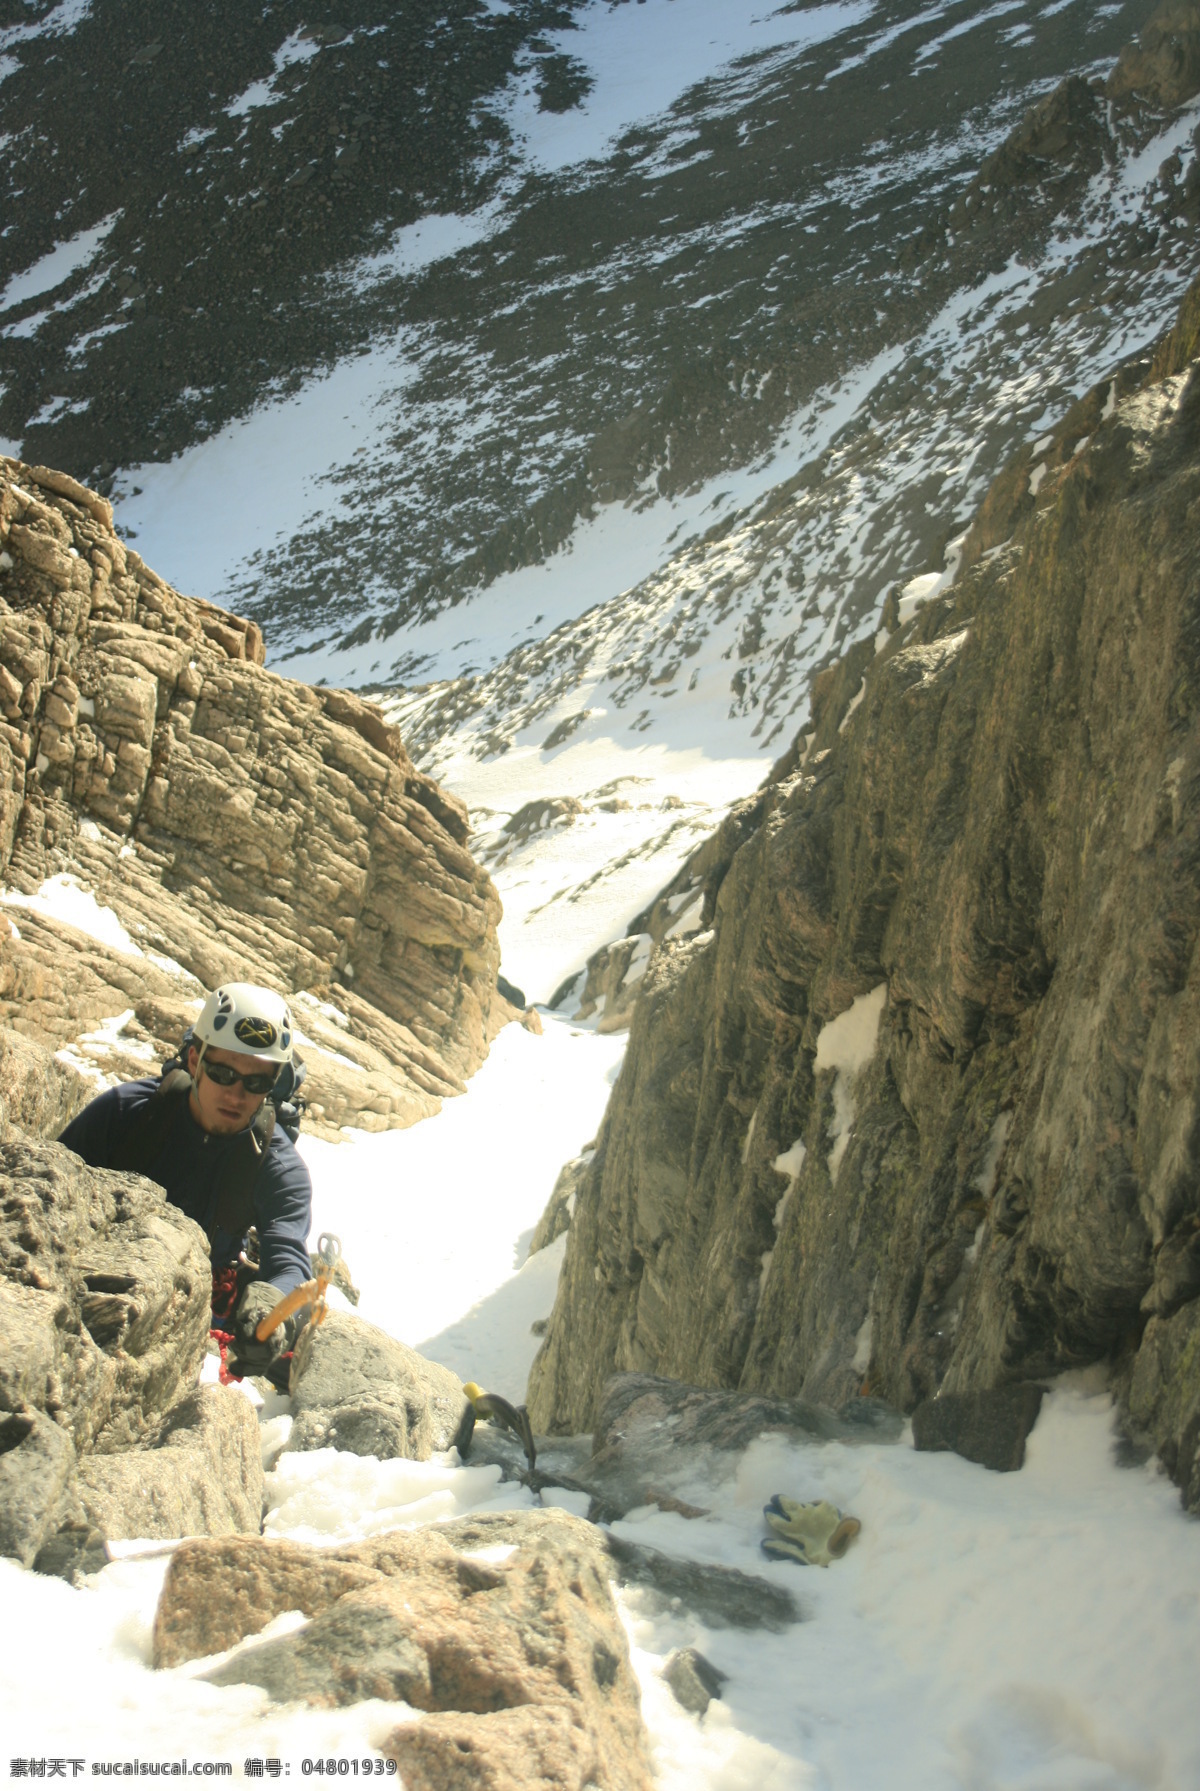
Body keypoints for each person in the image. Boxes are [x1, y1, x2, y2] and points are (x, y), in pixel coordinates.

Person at [59, 981, 313, 1384]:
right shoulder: (127, 1113)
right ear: (195, 1060)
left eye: (256, 1083)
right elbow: (52, 1183)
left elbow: (291, 1264)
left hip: (197, 1305)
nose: (236, 1094)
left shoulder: (279, 1168)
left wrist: (271, 1308)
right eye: (223, 1072)